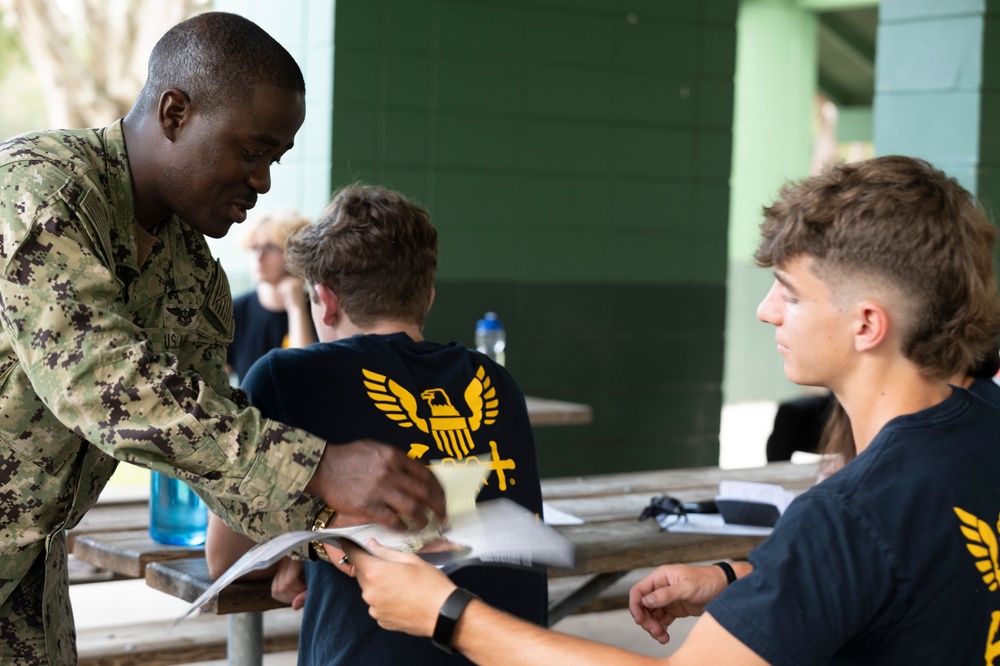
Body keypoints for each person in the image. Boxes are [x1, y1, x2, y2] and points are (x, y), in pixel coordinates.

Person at [344, 155, 1000, 664]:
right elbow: (905, 569)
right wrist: (737, 578)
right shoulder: (981, 423)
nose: (766, 310)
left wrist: (447, 612)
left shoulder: (852, 514)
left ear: (866, 324)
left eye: (790, 294)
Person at [0, 13, 443, 665]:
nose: (263, 181)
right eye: (253, 150)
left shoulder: (192, 275)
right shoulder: (40, 190)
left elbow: (207, 443)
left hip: (29, 582)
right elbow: (100, 382)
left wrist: (318, 534)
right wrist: (319, 467)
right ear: (175, 113)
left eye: (276, 159)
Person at [205, 183, 547, 665]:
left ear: (323, 301)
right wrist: (315, 547)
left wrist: (296, 550)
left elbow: (225, 562)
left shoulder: (289, 377)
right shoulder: (497, 382)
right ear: (426, 297)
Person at [226, 209, 316, 383]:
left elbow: (303, 373)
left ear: (294, 253)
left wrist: (296, 309)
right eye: (253, 247)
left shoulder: (318, 308)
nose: (258, 257)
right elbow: (216, 382)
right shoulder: (235, 310)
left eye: (270, 247)